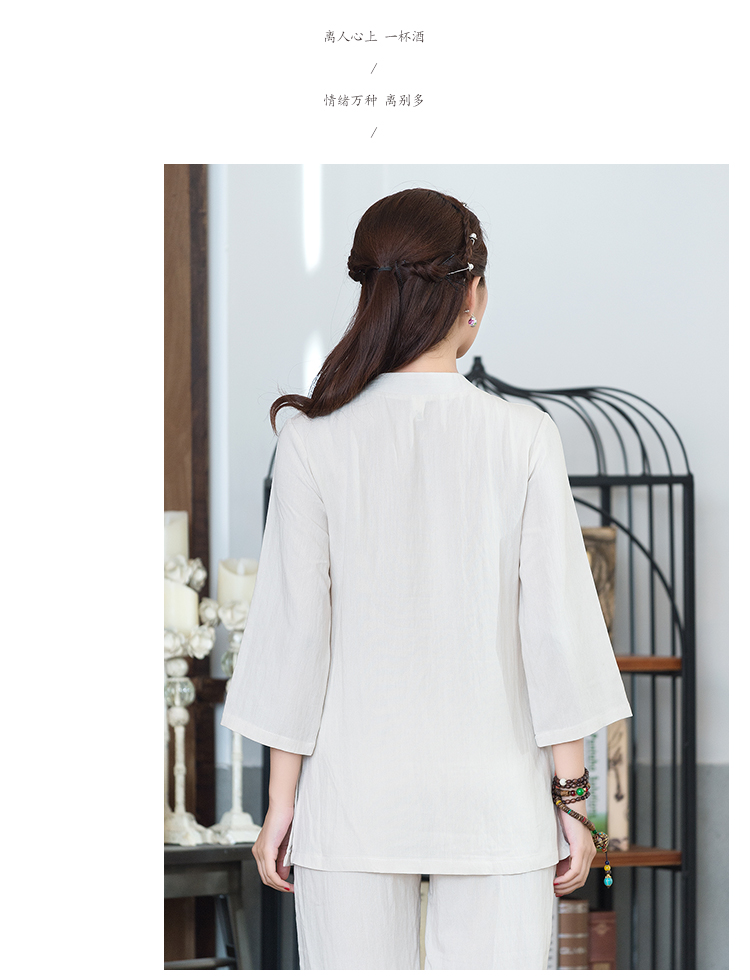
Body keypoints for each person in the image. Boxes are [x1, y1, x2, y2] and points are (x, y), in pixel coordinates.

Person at [221, 188, 632, 970]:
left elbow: (296, 637)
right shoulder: (525, 436)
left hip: (352, 803)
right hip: (495, 805)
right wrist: (576, 806)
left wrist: (280, 803)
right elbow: (554, 633)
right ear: (472, 294)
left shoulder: (312, 440)